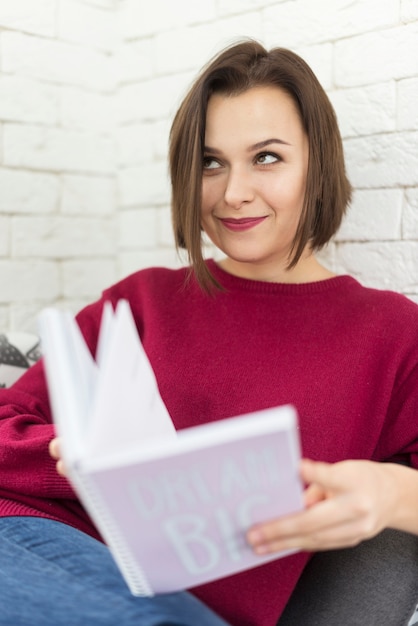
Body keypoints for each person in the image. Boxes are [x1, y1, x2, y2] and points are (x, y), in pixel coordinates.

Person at [0, 39, 417, 626]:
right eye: (210, 162)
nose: (232, 193)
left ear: (317, 164)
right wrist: (73, 461)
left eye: (266, 157)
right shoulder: (142, 300)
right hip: (33, 541)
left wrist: (391, 495)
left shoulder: (390, 332)